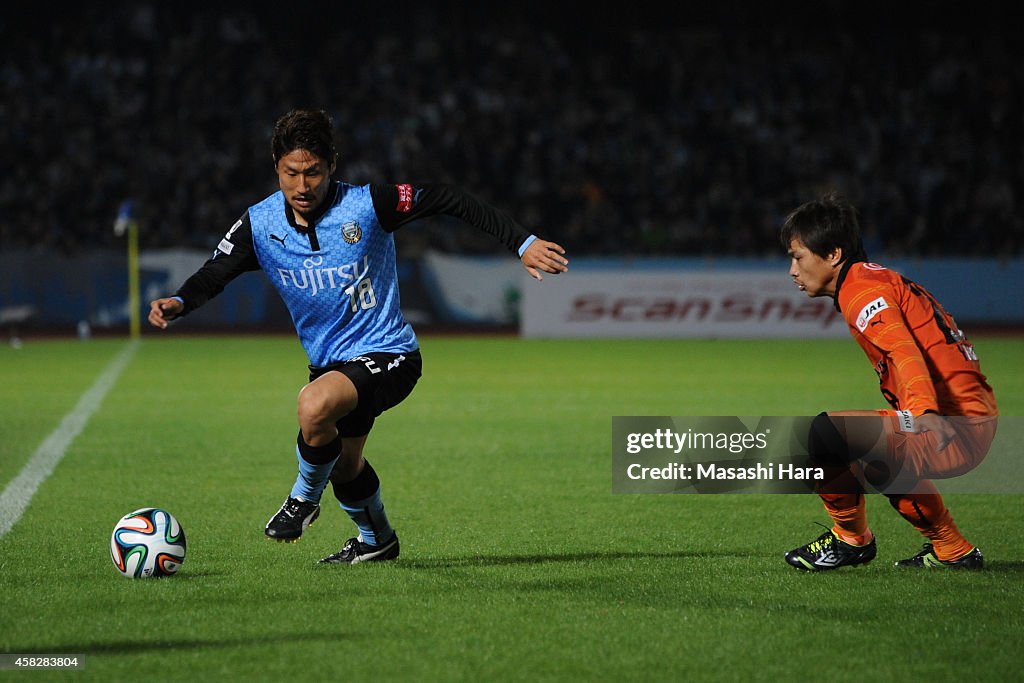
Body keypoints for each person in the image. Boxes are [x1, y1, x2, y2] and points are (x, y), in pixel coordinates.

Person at [149, 108, 569, 564]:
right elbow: (217, 270)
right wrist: (180, 302)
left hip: (390, 353)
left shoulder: (369, 205)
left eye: (313, 173)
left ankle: (302, 501)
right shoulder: (260, 224)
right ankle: (377, 541)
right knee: (345, 467)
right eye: (292, 173)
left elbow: (448, 198)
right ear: (275, 165)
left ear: (332, 164)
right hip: (330, 363)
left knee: (313, 405)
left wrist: (521, 243)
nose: (302, 186)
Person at [779, 191, 997, 571]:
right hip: (971, 416)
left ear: (833, 254)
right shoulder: (872, 279)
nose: (793, 271)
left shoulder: (862, 293)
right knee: (877, 455)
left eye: (798, 257)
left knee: (826, 433)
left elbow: (904, 352)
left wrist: (923, 413)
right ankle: (953, 550)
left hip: (951, 423)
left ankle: (849, 540)